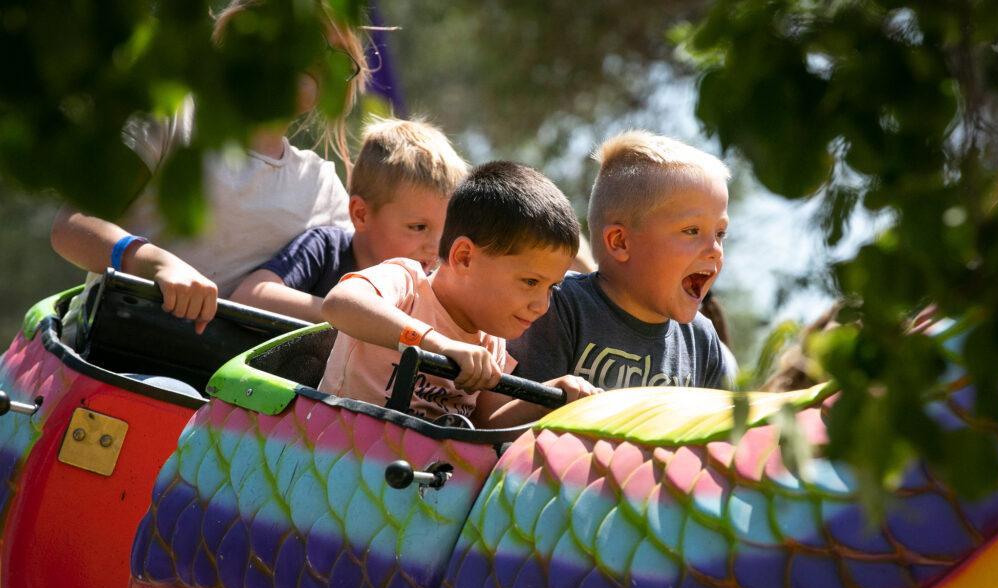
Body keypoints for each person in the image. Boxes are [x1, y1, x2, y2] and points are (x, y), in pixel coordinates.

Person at [50, 0, 368, 336]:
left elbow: (370, 283)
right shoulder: (171, 114)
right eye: (313, 38)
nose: (320, 61)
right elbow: (70, 226)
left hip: (239, 382)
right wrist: (156, 264)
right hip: (114, 353)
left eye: (338, 58)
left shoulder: (324, 188)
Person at [317, 161, 600, 427]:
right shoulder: (406, 284)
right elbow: (339, 303)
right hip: (333, 456)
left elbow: (484, 425)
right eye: (530, 282)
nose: (542, 305)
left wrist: (548, 398)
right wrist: (438, 345)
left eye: (551, 287)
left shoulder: (491, 342)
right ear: (464, 257)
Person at [509, 130, 732, 390]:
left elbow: (726, 429)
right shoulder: (558, 307)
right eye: (691, 231)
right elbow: (508, 423)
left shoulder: (702, 340)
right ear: (620, 242)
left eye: (720, 233)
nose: (714, 249)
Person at [230, 117, 468, 321]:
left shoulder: (426, 290)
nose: (435, 247)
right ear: (361, 214)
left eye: (445, 230)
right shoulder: (326, 251)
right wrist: (352, 316)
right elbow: (249, 296)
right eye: (418, 227)